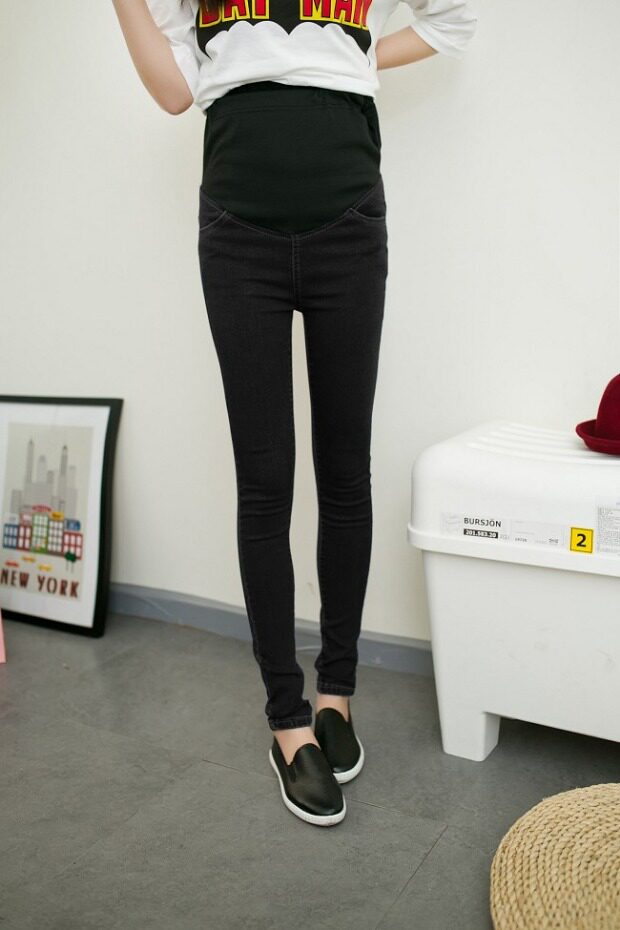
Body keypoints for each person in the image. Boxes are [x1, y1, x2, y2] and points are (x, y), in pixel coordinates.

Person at [112, 0, 478, 827]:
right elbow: (173, 92)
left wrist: (359, 56)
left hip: (349, 221)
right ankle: (287, 719)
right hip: (237, 234)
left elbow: (453, 18)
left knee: (346, 472)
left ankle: (336, 696)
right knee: (265, 482)